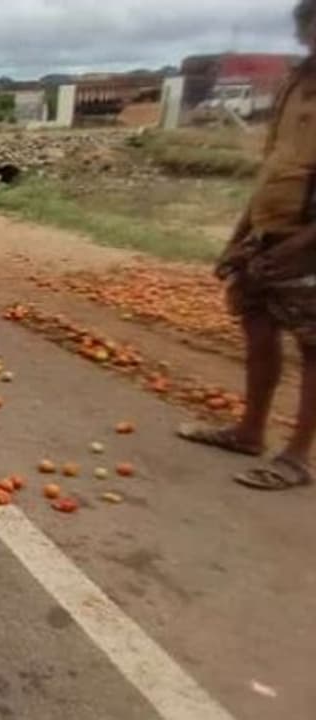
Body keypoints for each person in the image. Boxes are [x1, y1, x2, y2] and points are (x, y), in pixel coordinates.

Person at [177, 0, 316, 491]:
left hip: (306, 239)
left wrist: (300, 245)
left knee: (311, 345)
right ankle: (249, 430)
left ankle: (298, 455)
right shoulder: (295, 83)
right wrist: (242, 237)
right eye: (307, 25)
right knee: (258, 329)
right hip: (268, 228)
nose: (308, 35)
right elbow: (274, 170)